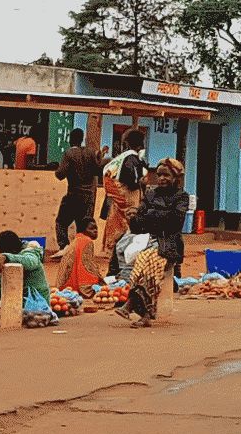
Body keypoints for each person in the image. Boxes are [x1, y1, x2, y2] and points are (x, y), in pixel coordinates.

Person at [115, 159, 189, 327]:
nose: (162, 178)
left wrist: (149, 215)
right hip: (148, 241)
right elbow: (139, 224)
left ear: (176, 178)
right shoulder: (150, 194)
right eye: (159, 175)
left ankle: (140, 309)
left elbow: (175, 222)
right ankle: (142, 311)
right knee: (142, 259)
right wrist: (133, 218)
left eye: (166, 175)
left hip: (168, 244)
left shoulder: (181, 197)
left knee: (149, 261)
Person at [51, 129, 108, 256]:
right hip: (88, 196)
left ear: (70, 139)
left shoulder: (69, 153)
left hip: (73, 194)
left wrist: (57, 169)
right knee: (83, 225)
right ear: (82, 139)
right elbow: (98, 171)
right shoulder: (90, 152)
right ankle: (83, 250)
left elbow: (60, 174)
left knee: (61, 221)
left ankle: (64, 246)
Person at [0, 230, 50, 318]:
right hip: (20, 300)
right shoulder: (11, 259)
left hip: (37, 301)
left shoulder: (30, 253)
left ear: (12, 250)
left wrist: (6, 256)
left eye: (3, 252)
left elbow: (30, 262)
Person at [101, 129, 147, 258]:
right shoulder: (132, 158)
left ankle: (111, 249)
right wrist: (139, 182)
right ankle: (126, 250)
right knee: (129, 222)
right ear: (140, 145)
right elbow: (133, 178)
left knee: (115, 221)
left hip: (117, 197)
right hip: (128, 196)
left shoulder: (121, 158)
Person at [55, 217, 105, 295]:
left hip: (64, 285)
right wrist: (100, 279)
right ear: (83, 230)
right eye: (91, 229)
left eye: (96, 228)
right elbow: (87, 266)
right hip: (74, 284)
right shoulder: (87, 241)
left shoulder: (77, 239)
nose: (95, 231)